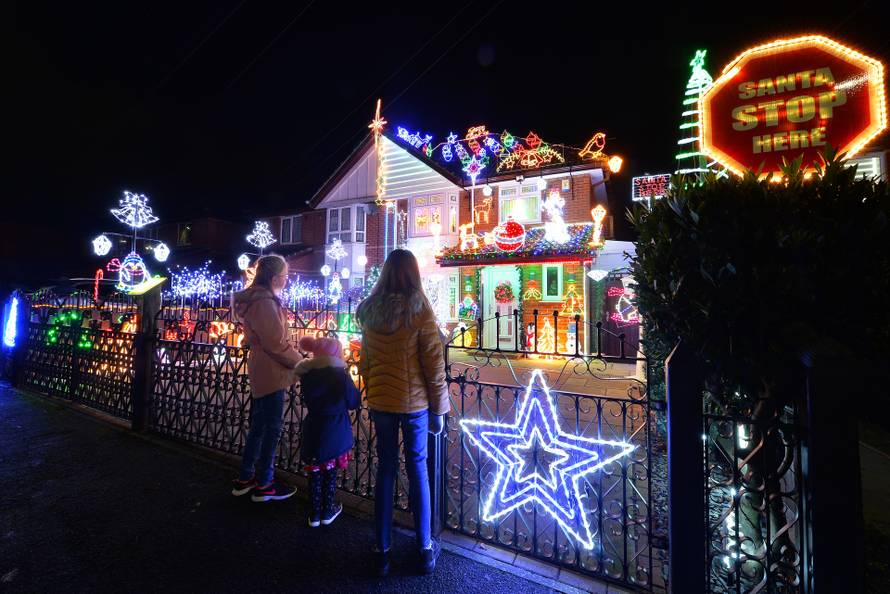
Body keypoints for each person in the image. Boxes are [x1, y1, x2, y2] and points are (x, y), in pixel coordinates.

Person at [356, 249, 449, 576]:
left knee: (385, 470)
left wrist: (374, 388)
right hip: (414, 405)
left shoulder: (370, 312)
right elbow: (434, 366)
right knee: (418, 469)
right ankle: (424, 548)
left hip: (381, 404)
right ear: (413, 273)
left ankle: (381, 550)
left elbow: (365, 361)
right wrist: (439, 408)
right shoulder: (419, 310)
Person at [230, 254, 301, 502]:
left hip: (262, 368)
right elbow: (276, 343)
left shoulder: (258, 300)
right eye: (285, 276)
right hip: (272, 371)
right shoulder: (265, 303)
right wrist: (302, 364)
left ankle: (247, 476)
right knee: (272, 428)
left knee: (259, 426)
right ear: (273, 278)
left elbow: (258, 337)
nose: (287, 279)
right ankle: (265, 483)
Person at [295, 335, 360, 528]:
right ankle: (328, 510)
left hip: (314, 426)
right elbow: (353, 401)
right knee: (330, 472)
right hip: (335, 429)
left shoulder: (307, 374)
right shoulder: (339, 375)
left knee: (315, 473)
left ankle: (314, 514)